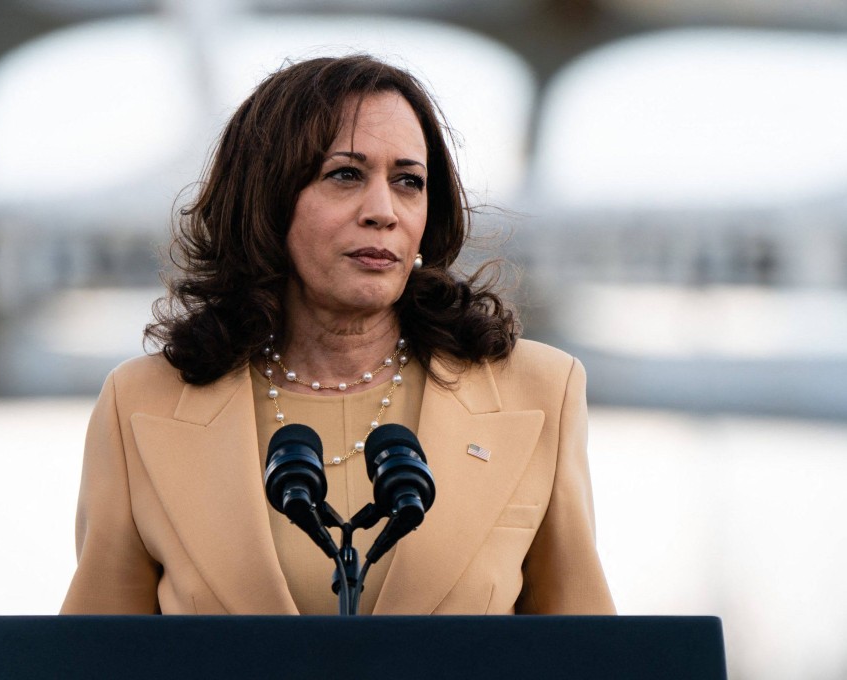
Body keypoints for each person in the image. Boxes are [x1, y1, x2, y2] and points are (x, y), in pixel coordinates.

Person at [61, 55, 615, 616]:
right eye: (345, 175)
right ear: (267, 202)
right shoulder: (138, 405)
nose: (383, 211)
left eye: (408, 182)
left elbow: (589, 659)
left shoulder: (541, 393)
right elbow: (94, 661)